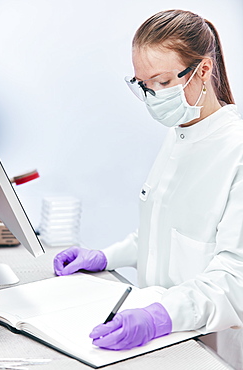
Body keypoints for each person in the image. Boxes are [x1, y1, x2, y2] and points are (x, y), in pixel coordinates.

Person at [53, 9, 243, 369]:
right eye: (143, 84)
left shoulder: (237, 152)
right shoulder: (181, 136)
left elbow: (235, 281)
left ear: (203, 70)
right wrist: (106, 256)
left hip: (210, 346)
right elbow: (164, 235)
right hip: (162, 340)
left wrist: (159, 316)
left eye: (161, 82)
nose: (152, 96)